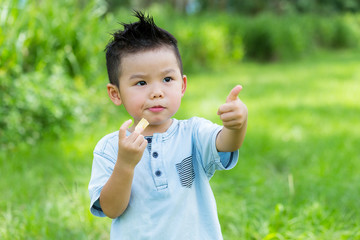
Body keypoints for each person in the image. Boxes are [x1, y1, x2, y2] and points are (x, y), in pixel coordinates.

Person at [88, 10, 248, 239]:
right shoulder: (110, 148)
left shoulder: (193, 133)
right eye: (141, 82)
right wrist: (125, 164)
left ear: (182, 85)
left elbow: (227, 143)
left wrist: (236, 126)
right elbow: (112, 209)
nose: (156, 93)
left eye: (167, 79)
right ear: (115, 93)